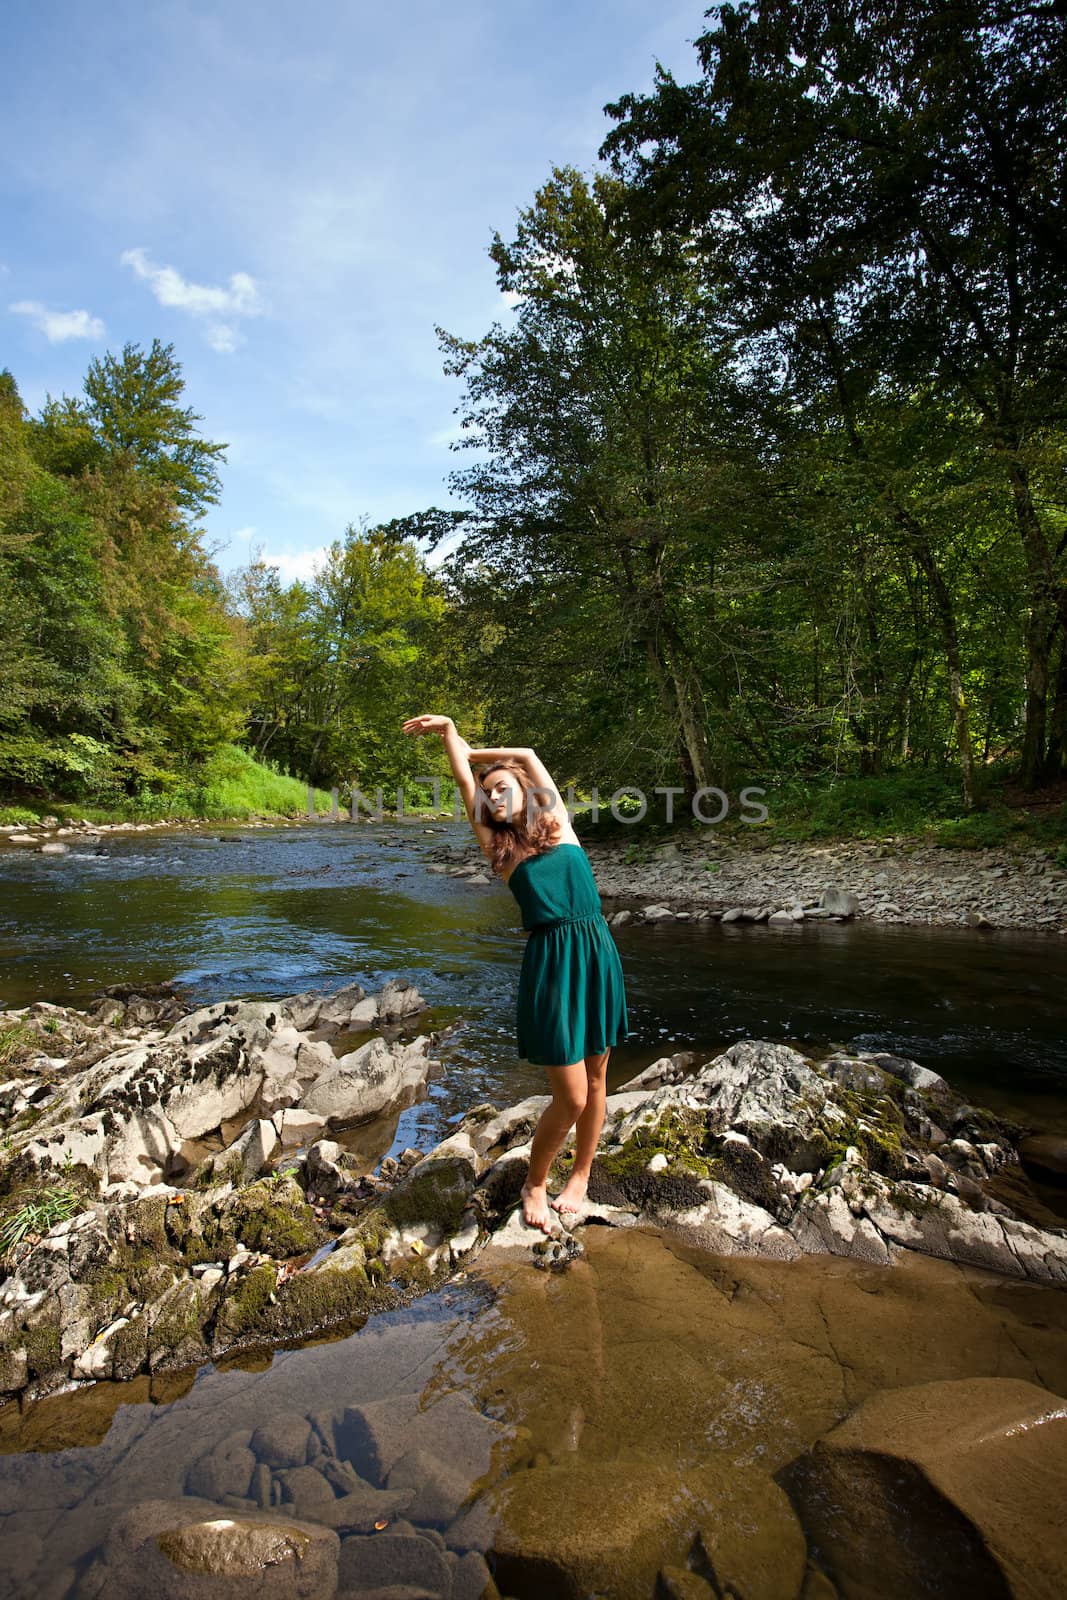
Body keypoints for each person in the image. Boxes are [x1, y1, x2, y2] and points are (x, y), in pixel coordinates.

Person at [401, 714, 629, 1234]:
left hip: (596, 950)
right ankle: (534, 1182)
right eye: (489, 796)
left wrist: (482, 751)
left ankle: (582, 1177)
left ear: (526, 792)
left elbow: (525, 754)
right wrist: (450, 737)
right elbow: (464, 781)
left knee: (597, 1080)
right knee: (569, 1095)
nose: (495, 798)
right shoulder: (500, 850)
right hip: (552, 960)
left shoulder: (558, 825)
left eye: (502, 790)